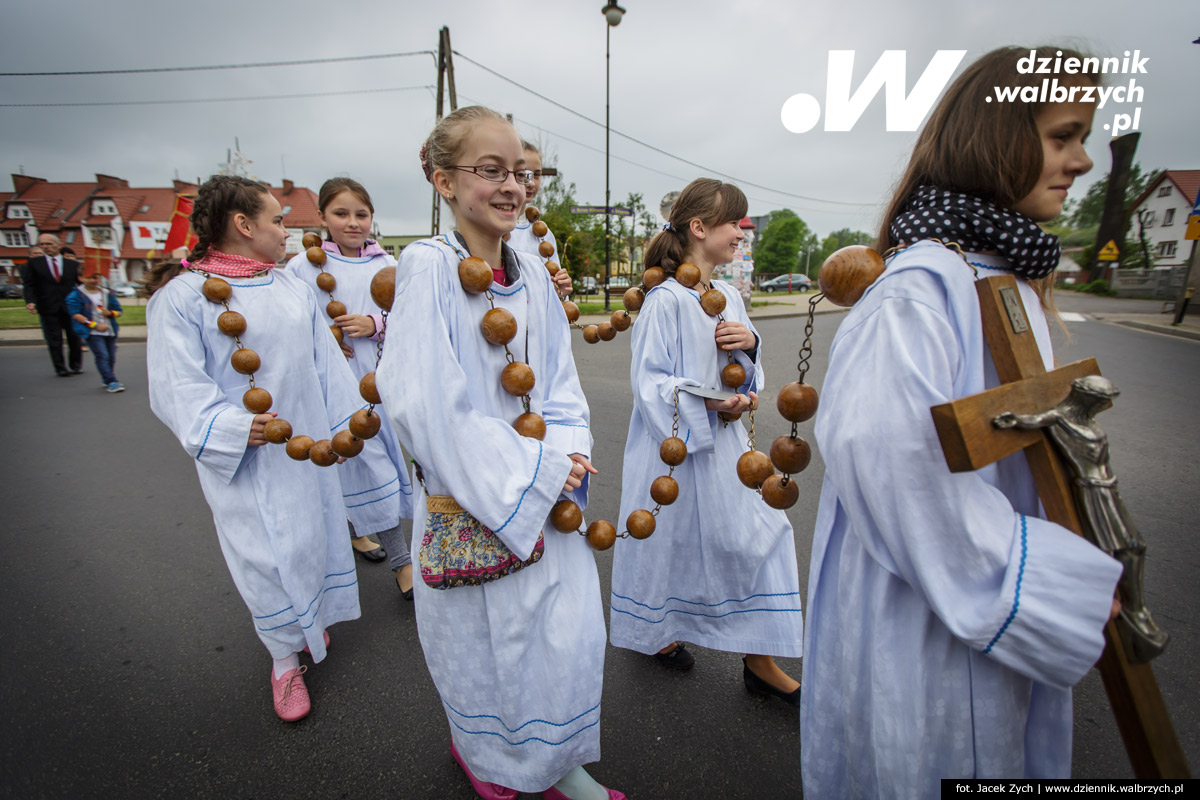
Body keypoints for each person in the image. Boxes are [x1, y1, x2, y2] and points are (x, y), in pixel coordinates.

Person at [800, 46, 1124, 796]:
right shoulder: (921, 288)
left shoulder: (999, 276)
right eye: (1064, 135)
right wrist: (1040, 581)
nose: (1082, 160)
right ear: (997, 135)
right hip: (929, 614)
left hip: (975, 609)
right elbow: (888, 459)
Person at [375, 105, 623, 800]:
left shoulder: (536, 273)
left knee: (557, 636)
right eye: (490, 170)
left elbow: (563, 386)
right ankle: (488, 758)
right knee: (490, 643)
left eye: (522, 171)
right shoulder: (427, 266)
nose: (513, 185)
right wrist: (534, 472)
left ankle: (553, 760)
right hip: (477, 494)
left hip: (544, 490)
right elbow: (423, 405)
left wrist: (568, 458)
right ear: (443, 181)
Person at [146, 175, 365, 723]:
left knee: (313, 540)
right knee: (263, 555)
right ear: (243, 226)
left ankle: (309, 626)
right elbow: (176, 388)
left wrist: (345, 428)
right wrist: (236, 428)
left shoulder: (289, 286)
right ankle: (284, 661)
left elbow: (326, 362)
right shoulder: (181, 299)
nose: (287, 229)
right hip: (248, 461)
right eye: (278, 220)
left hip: (307, 448)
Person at [609, 177, 803, 702]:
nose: (742, 231)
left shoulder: (731, 296)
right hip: (673, 448)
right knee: (668, 540)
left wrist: (750, 348)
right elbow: (649, 380)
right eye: (733, 223)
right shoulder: (665, 300)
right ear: (699, 229)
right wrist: (706, 401)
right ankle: (658, 632)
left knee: (761, 535)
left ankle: (758, 658)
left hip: (727, 447)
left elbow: (746, 378)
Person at [286, 178, 415, 594]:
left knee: (377, 465)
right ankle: (400, 562)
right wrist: (323, 339)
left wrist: (376, 324)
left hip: (378, 380)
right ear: (322, 217)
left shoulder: (385, 266)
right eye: (341, 214)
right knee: (353, 460)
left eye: (361, 214)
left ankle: (385, 547)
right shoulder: (302, 268)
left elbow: (413, 318)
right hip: (330, 382)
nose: (353, 223)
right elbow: (288, 322)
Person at [509, 141, 572, 298]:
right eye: (522, 174)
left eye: (536, 175)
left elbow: (553, 292)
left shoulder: (543, 234)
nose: (530, 183)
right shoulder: (491, 230)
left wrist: (560, 290)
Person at [21, 233, 82, 377]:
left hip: (70, 306)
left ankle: (76, 365)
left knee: (74, 337)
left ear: (58, 245)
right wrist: (30, 301)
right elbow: (29, 284)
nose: (45, 247)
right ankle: (60, 367)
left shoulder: (72, 264)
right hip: (48, 306)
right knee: (54, 339)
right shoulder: (35, 264)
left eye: (48, 244)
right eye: (42, 244)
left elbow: (80, 284)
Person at [66, 268, 125, 392]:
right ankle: (111, 381)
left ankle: (107, 376)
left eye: (96, 277)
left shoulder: (107, 293)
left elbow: (119, 311)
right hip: (93, 332)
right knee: (102, 355)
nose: (93, 280)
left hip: (109, 330)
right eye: (89, 277)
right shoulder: (76, 295)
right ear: (81, 278)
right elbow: (76, 314)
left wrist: (110, 313)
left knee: (111, 357)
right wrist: (94, 325)